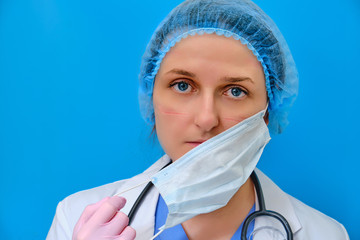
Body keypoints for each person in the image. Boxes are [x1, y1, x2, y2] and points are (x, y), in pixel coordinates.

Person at [47, 0, 349, 239]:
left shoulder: (325, 234)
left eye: (235, 91)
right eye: (182, 85)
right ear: (151, 97)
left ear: (268, 111)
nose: (207, 119)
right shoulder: (75, 219)